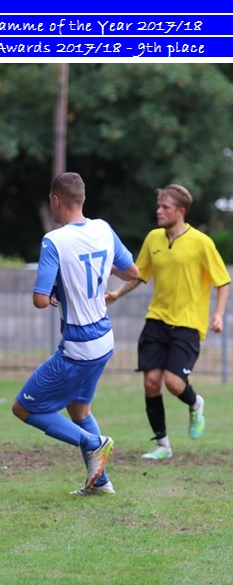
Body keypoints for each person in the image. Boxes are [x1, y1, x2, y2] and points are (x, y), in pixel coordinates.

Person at [12, 172, 139, 495]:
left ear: (56, 200)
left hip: (78, 346)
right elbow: (132, 272)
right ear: (82, 199)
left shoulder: (54, 240)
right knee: (79, 410)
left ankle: (93, 442)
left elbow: (40, 300)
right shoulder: (103, 229)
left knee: (24, 408)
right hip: (104, 340)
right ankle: (101, 482)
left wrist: (55, 292)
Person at [105, 184, 230, 460]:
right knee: (151, 383)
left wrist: (218, 314)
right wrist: (116, 293)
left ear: (181, 211)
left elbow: (223, 281)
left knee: (174, 383)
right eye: (159, 206)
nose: (159, 211)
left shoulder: (201, 242)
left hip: (188, 324)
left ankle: (195, 402)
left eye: (166, 207)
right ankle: (163, 445)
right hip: (156, 320)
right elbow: (140, 274)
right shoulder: (153, 238)